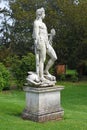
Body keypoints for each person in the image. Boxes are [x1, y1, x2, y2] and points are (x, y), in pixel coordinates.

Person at [33, 7, 57, 82]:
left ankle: (46, 71)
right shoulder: (36, 23)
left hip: (46, 43)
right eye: (44, 13)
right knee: (42, 59)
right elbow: (36, 35)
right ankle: (41, 77)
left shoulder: (43, 24)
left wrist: (51, 34)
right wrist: (37, 44)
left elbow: (45, 34)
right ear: (40, 14)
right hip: (41, 41)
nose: (45, 15)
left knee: (54, 57)